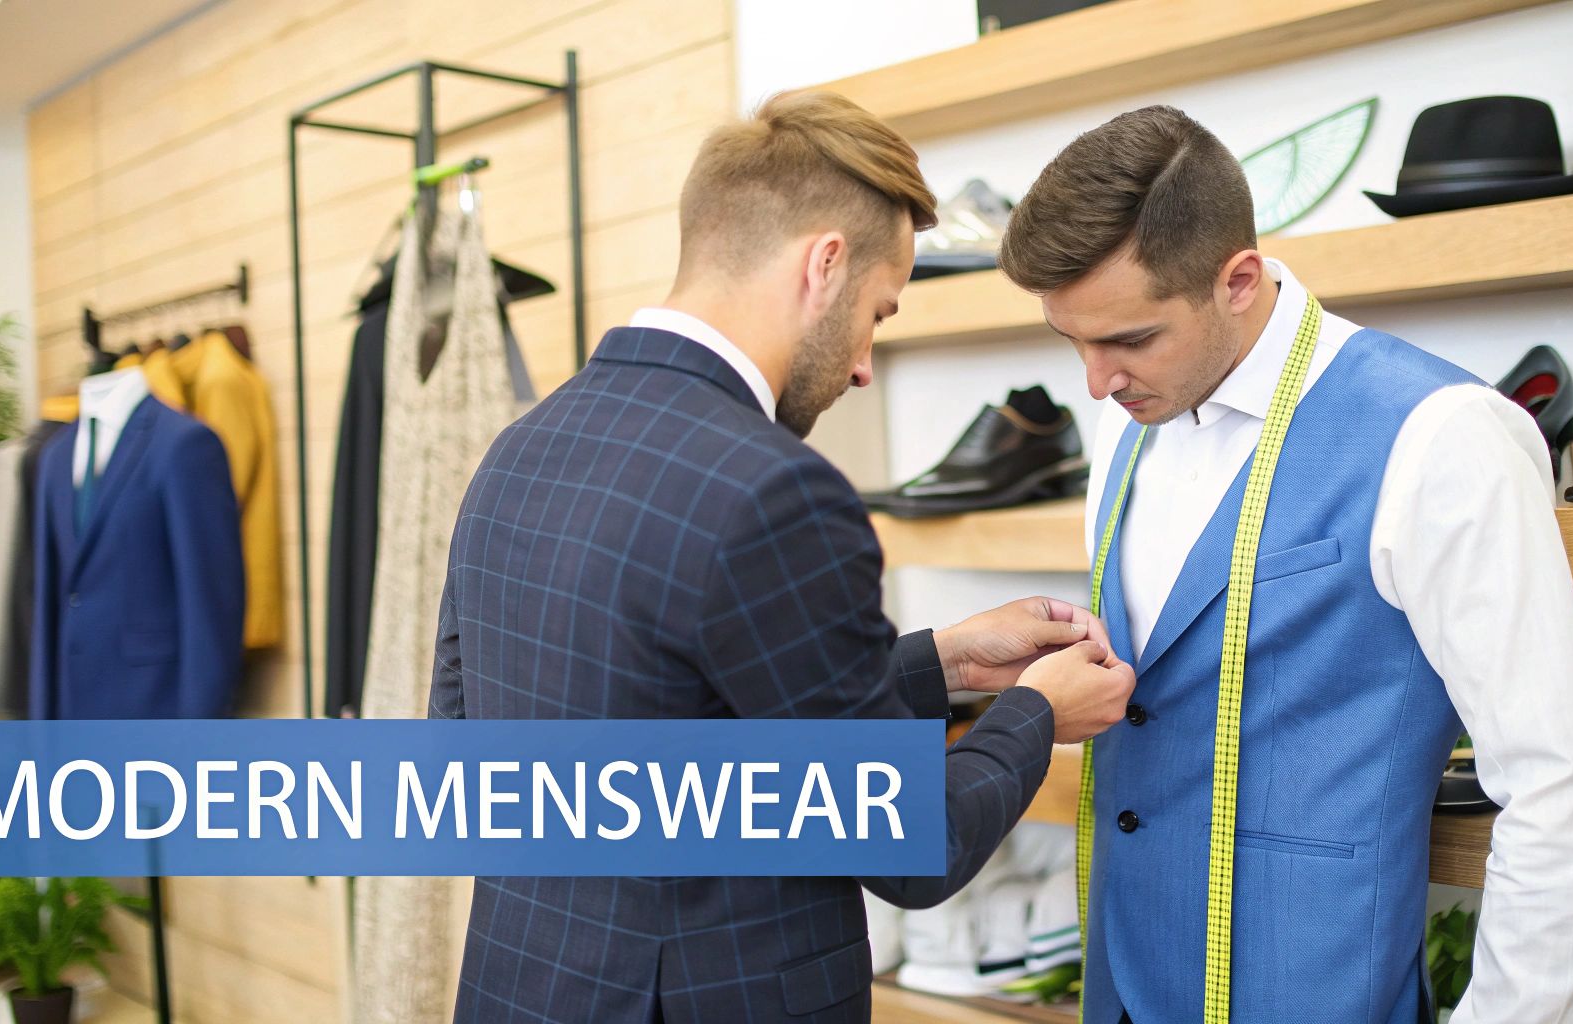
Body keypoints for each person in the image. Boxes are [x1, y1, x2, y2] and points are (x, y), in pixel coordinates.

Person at [428, 89, 1138, 1023]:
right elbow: (908, 847)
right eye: (877, 316)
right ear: (824, 265)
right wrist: (1033, 713)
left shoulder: (522, 449)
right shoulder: (777, 488)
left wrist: (941, 662)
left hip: (519, 989)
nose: (861, 367)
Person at [995, 105, 1573, 1024]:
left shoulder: (1439, 434)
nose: (1097, 381)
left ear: (1239, 280)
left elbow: (1563, 787)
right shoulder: (1122, 424)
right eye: (1074, 343)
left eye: (1130, 339)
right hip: (1125, 985)